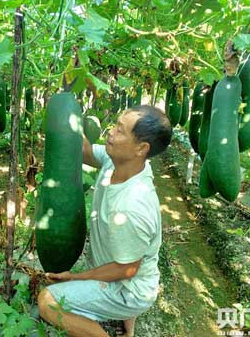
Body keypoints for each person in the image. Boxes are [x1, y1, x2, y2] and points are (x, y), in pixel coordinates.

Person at [38, 105, 172, 337]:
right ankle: (127, 328)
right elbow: (86, 151)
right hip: (131, 269)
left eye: (120, 130)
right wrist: (67, 111)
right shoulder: (120, 162)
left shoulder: (132, 206)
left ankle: (113, 320)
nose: (111, 132)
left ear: (142, 148)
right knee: (127, 250)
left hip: (130, 289)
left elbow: (127, 269)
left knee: (47, 301)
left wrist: (75, 277)